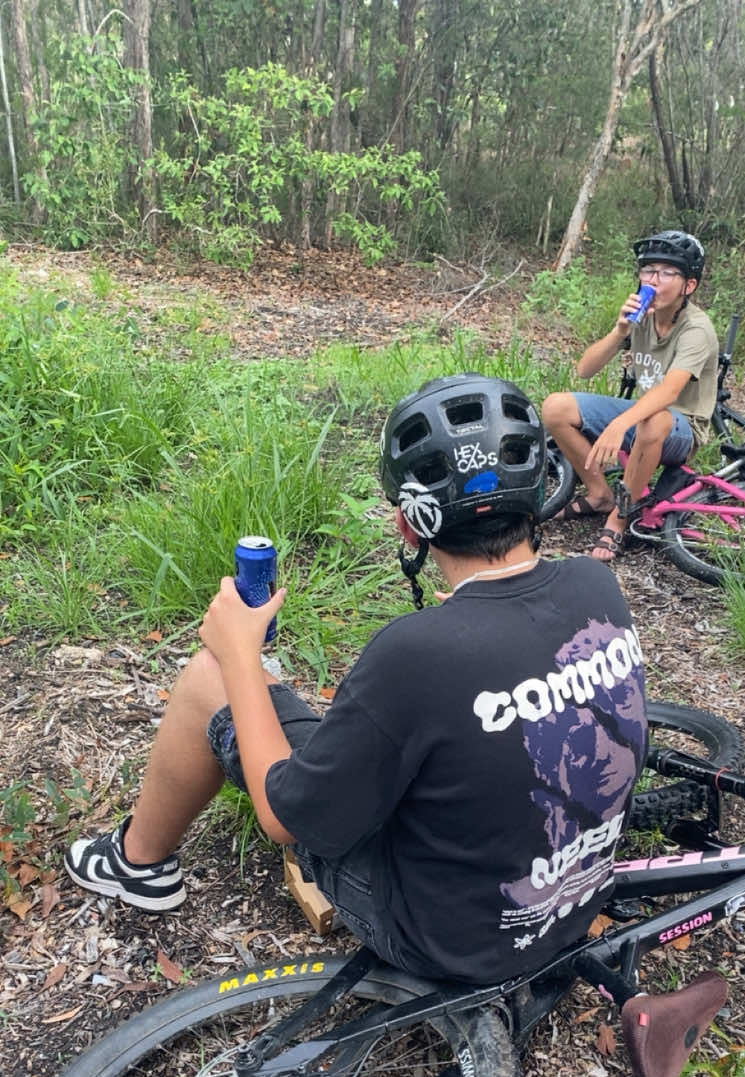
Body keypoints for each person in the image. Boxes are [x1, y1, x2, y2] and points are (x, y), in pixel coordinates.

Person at [64, 375, 648, 984]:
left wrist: (238, 655)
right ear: (540, 494)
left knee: (210, 675)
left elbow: (284, 819)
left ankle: (137, 863)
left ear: (408, 525)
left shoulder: (417, 652)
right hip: (572, 900)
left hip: (448, 941)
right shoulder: (595, 583)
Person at [542, 231, 718, 563]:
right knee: (556, 407)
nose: (653, 280)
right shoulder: (642, 316)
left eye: (667, 273)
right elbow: (585, 369)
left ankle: (619, 519)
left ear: (689, 285)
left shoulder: (696, 329)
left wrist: (620, 424)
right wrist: (620, 330)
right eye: (648, 270)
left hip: (682, 427)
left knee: (653, 420)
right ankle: (600, 494)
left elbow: (669, 392)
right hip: (642, 413)